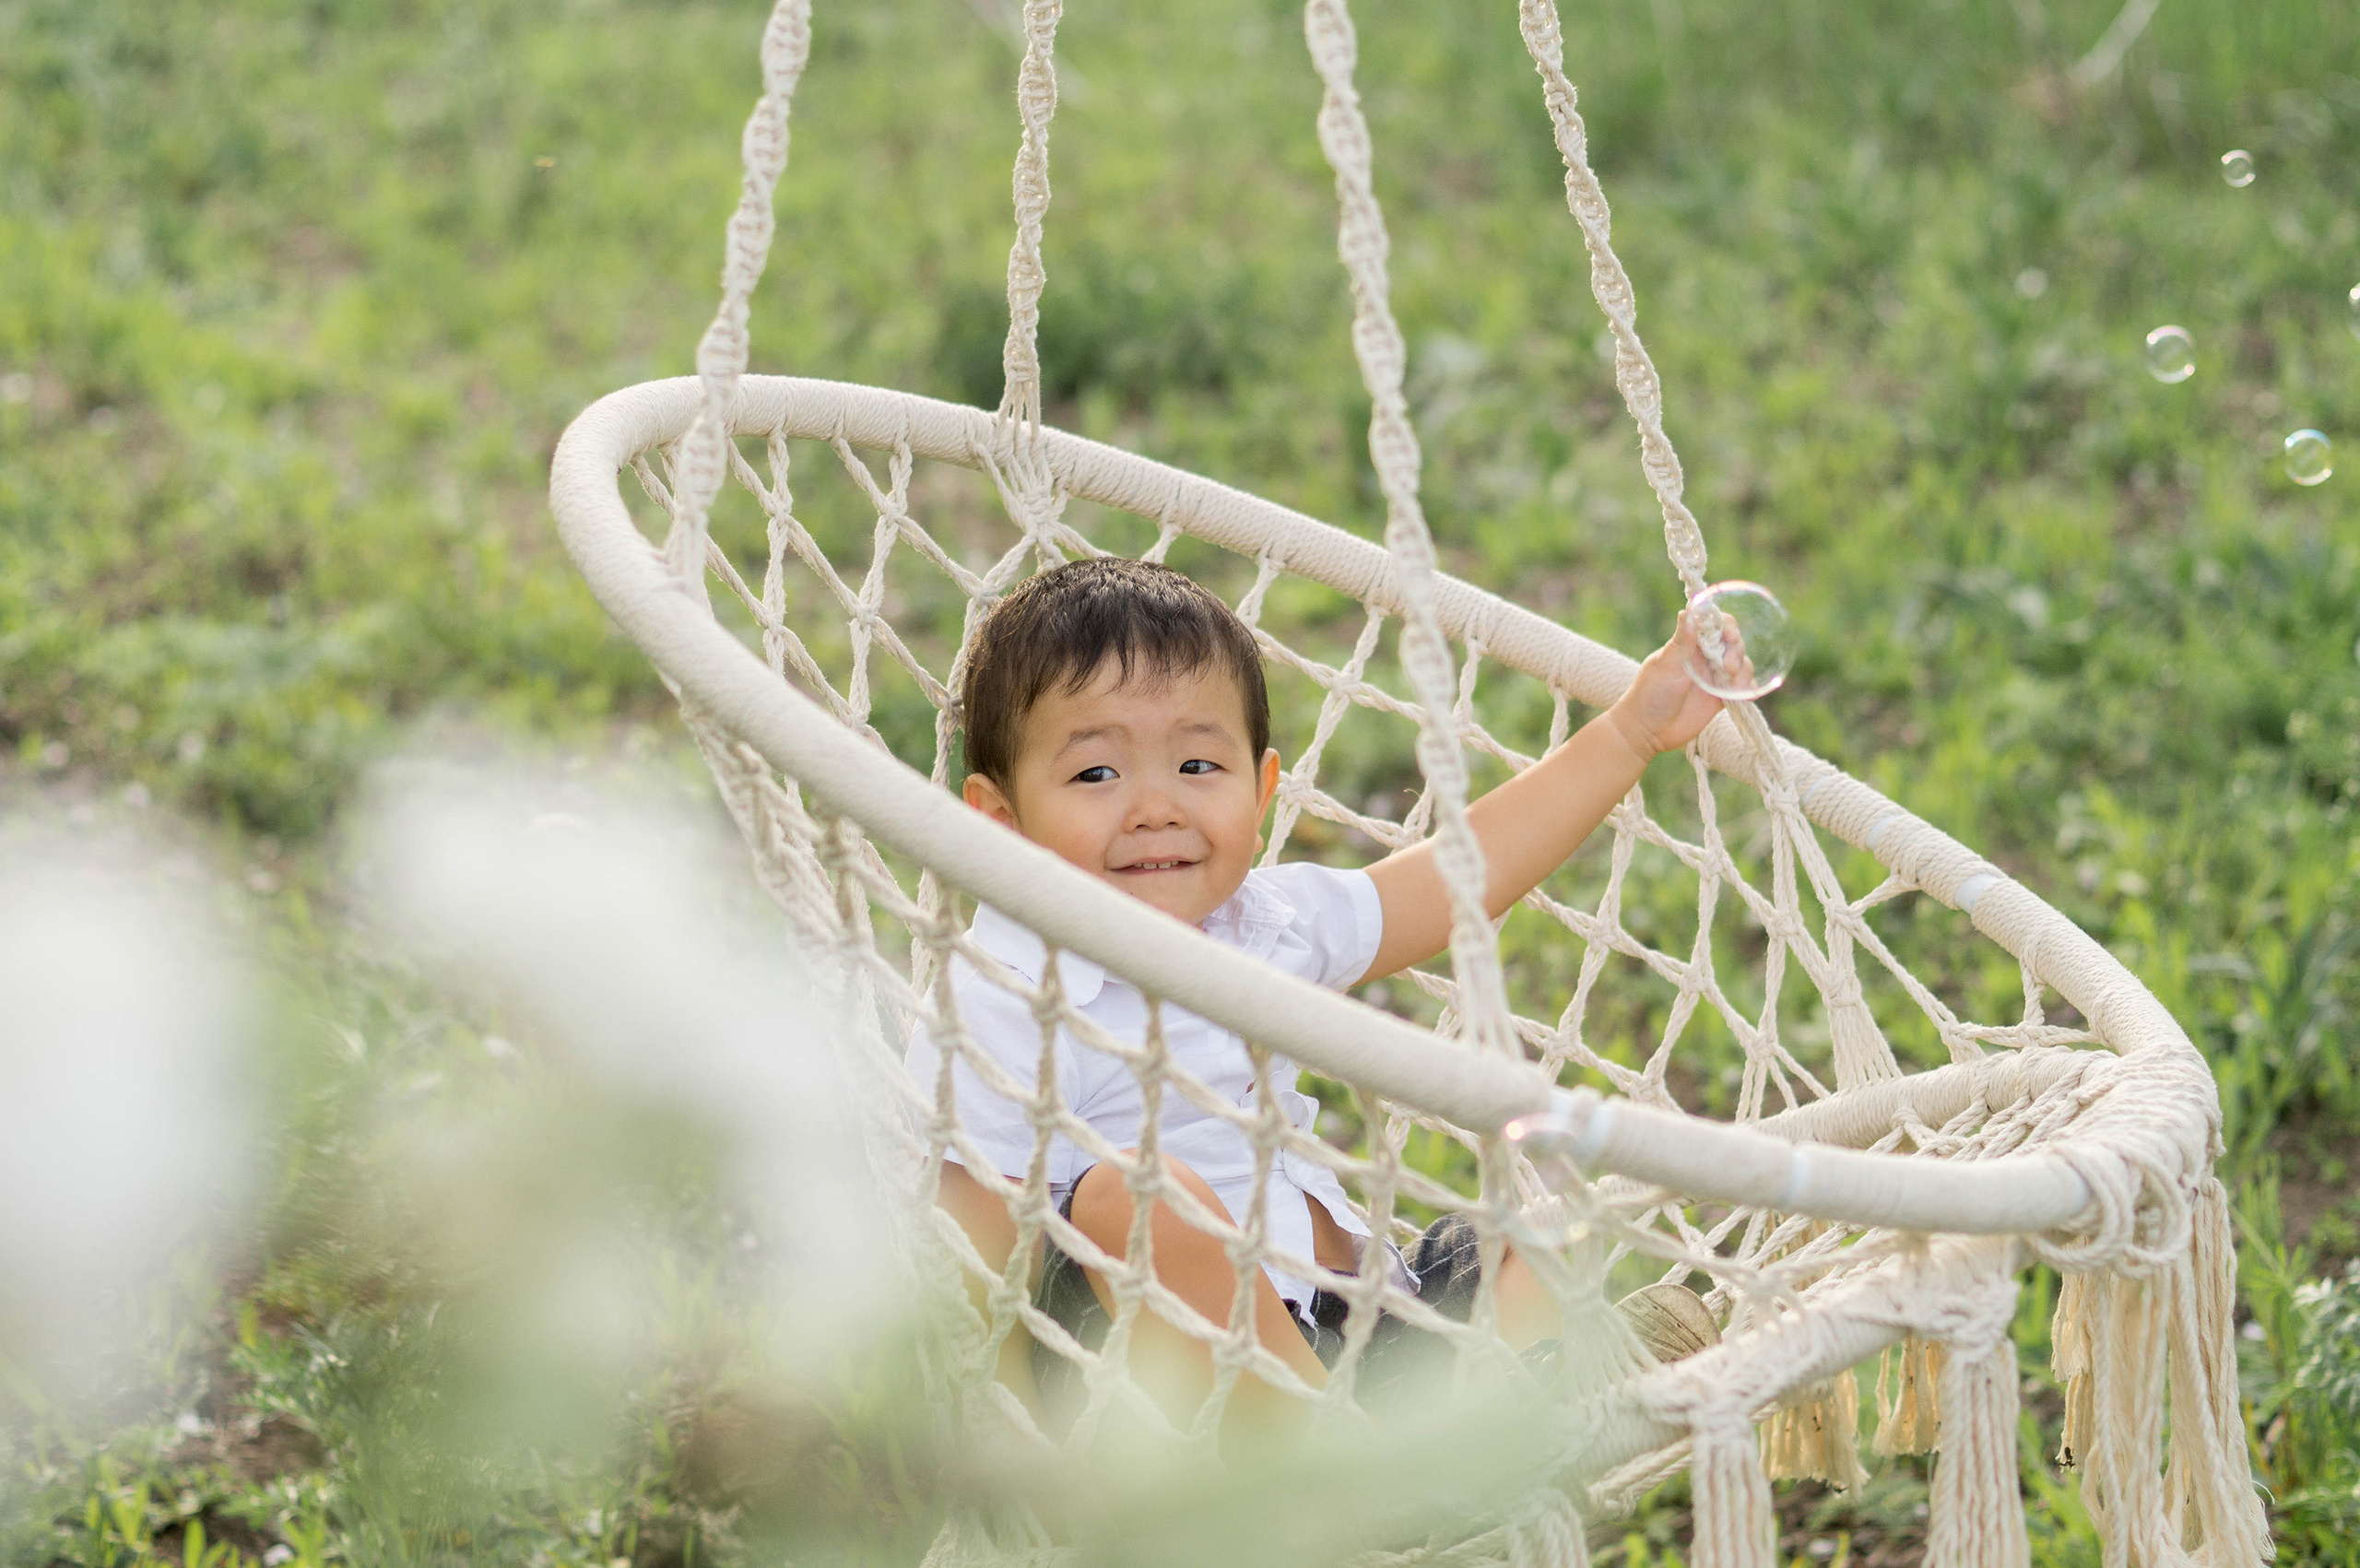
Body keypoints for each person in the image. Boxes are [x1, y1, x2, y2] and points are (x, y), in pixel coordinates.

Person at [911, 557, 1730, 1425]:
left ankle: (1454, 1445)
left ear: (1261, 789)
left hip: (1359, 1331)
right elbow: (975, 1244)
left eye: (1196, 765)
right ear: (1000, 822)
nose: (1157, 807)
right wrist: (1007, 1447)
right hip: (1148, 1382)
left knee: (1543, 1238)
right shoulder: (1006, 994)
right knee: (1137, 1192)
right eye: (1096, 775)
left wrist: (1632, 733)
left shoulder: (1260, 923)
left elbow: (1455, 877)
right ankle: (1374, 1473)